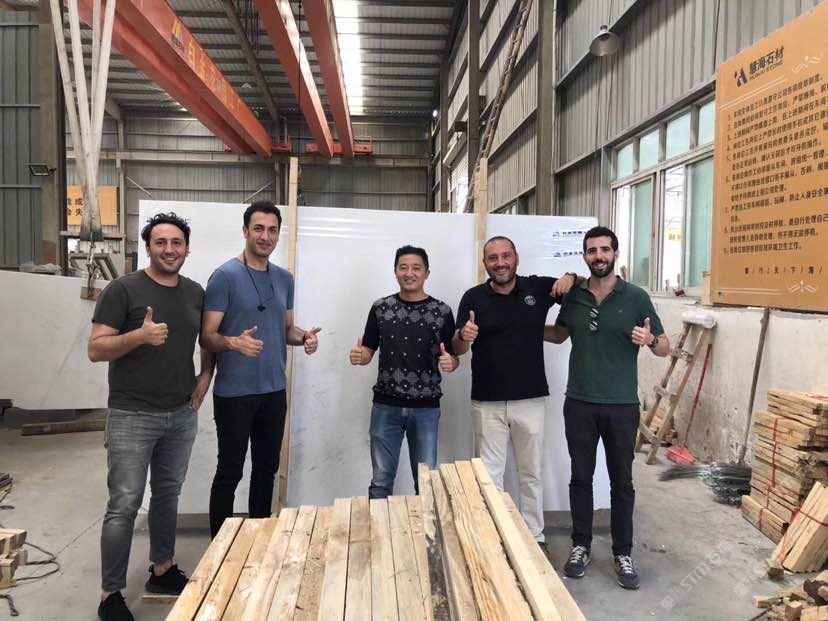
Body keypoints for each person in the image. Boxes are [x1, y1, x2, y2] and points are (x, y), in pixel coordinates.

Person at [89, 212, 214, 621]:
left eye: (176, 242)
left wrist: (205, 375)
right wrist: (139, 336)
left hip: (180, 413)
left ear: (187, 248)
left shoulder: (195, 292)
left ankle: (162, 569)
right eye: (161, 242)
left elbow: (206, 339)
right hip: (131, 415)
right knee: (124, 504)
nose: (169, 249)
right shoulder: (123, 289)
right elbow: (96, 348)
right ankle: (110, 594)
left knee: (167, 495)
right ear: (148, 248)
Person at [544, 225, 669, 590]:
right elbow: (560, 335)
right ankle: (580, 545)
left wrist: (650, 339)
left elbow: (665, 347)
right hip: (579, 402)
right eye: (592, 250)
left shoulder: (636, 297)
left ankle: (622, 552)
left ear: (615, 254)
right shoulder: (575, 296)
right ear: (585, 256)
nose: (598, 256)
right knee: (580, 478)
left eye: (604, 250)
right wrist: (520, 327)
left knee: (622, 482)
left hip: (621, 405)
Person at [201, 200, 320, 538]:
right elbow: (207, 336)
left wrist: (305, 337)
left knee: (266, 470)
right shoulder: (224, 276)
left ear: (278, 234)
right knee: (230, 471)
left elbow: (287, 330)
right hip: (234, 393)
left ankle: (258, 540)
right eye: (258, 229)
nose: (265, 236)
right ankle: (220, 547)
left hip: (273, 391)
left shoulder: (284, 279)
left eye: (272, 230)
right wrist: (233, 343)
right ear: (245, 231)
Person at [451, 236, 578, 548]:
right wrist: (464, 336)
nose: (500, 263)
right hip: (486, 402)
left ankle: (535, 536)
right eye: (493, 258)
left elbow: (580, 287)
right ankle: (494, 537)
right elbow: (458, 349)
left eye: (505, 256)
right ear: (485, 263)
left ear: (516, 258)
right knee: (489, 476)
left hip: (530, 399)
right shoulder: (473, 297)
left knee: (530, 474)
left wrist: (571, 276)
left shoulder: (538, 288)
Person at [349, 245, 459, 498]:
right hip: (385, 406)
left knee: (426, 484)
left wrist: (451, 363)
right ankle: (378, 525)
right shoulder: (381, 308)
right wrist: (359, 357)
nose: (409, 273)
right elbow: (367, 351)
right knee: (380, 481)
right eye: (403, 268)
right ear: (395, 271)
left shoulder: (442, 311)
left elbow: (453, 357)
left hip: (426, 408)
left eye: (416, 268)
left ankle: (427, 527)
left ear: (427, 273)